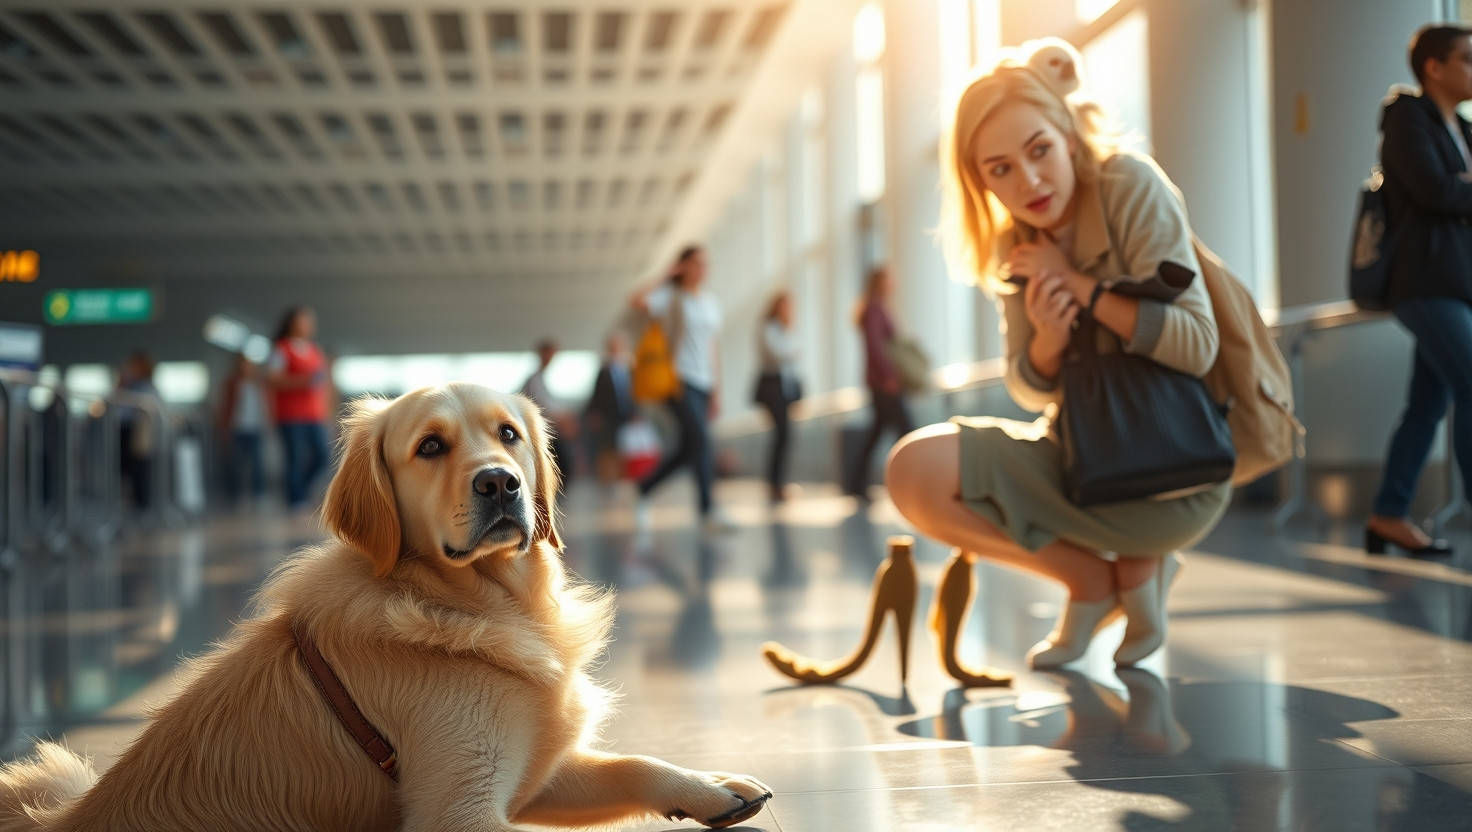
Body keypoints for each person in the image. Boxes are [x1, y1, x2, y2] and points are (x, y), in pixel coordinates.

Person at [883, 38, 1233, 681]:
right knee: (912, 470)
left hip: (1178, 464)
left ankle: (1142, 563)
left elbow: (1196, 345)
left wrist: (1079, 286)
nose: (1029, 182)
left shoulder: (1130, 185)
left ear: (1068, 136)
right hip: (1085, 458)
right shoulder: (1014, 244)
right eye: (1001, 169)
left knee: (1142, 530)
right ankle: (1093, 580)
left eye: (1039, 150)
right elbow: (1030, 388)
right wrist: (1046, 339)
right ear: (981, 181)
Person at [1365, 24, 1472, 558]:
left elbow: (1455, 192)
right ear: (1435, 67)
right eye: (1467, 59)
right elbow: (1434, 190)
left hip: (1459, 282)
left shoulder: (1464, 130)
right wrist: (1459, 190)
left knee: (1428, 404)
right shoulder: (1408, 117)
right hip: (1424, 283)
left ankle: (1388, 514)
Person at [630, 245, 734, 534]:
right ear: (683, 266)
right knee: (701, 440)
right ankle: (708, 511)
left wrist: (717, 391)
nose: (702, 269)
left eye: (705, 263)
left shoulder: (710, 303)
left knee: (692, 446)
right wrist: (665, 275)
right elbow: (636, 300)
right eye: (696, 263)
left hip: (704, 382)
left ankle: (645, 486)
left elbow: (712, 348)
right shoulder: (670, 297)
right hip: (678, 381)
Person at [846, 265, 915, 499]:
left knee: (876, 434)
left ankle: (856, 483)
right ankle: (911, 483)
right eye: (889, 278)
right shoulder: (874, 309)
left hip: (880, 381)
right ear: (880, 282)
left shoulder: (876, 307)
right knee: (907, 430)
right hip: (883, 383)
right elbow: (875, 347)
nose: (894, 282)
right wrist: (888, 377)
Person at [265, 305, 331, 512]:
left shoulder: (315, 350)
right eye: (303, 320)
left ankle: (301, 490)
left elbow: (322, 384)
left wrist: (325, 410)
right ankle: (296, 499)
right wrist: (302, 381)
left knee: (322, 456)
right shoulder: (281, 349)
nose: (308, 325)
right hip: (290, 415)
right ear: (291, 323)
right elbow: (272, 380)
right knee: (295, 458)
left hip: (314, 414)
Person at [754, 290, 801, 502]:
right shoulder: (769, 329)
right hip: (772, 388)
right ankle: (774, 484)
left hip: (785, 388)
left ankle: (778, 483)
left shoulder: (786, 330)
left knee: (784, 435)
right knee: (782, 433)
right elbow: (778, 355)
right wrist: (791, 350)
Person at [519, 337, 579, 483]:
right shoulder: (534, 379)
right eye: (550, 354)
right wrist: (564, 420)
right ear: (543, 354)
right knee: (562, 464)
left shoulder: (539, 378)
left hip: (546, 427)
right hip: (540, 431)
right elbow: (543, 406)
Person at [583, 331, 636, 484]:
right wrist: (594, 414)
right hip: (607, 418)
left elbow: (633, 395)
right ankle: (607, 478)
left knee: (624, 448)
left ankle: (622, 478)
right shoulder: (604, 371)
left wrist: (635, 412)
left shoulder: (628, 369)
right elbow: (597, 395)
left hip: (625, 416)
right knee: (607, 448)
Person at [218, 352, 268, 507]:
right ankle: (234, 495)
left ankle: (258, 494)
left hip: (255, 428)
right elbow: (225, 405)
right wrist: (224, 427)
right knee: (236, 464)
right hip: (237, 427)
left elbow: (265, 405)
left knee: (257, 464)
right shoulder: (232, 382)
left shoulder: (259, 383)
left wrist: (267, 423)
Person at [116, 350, 161, 513]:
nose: (129, 368)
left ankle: (142, 508)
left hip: (135, 434)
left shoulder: (143, 388)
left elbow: (121, 411)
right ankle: (137, 505)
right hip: (127, 432)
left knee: (138, 471)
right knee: (131, 472)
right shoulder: (130, 386)